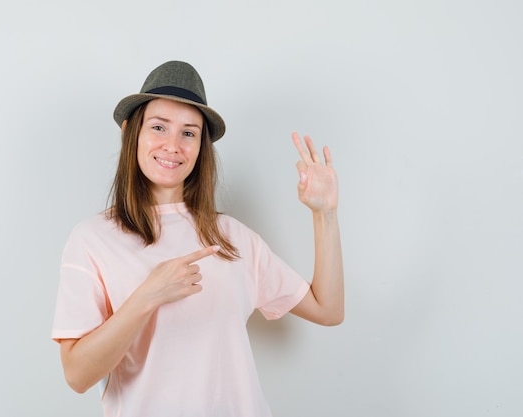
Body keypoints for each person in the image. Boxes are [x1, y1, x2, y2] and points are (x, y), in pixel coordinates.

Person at [51, 60, 344, 417]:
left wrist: (324, 214)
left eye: (188, 133)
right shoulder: (92, 239)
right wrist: (147, 296)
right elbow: (77, 374)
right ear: (131, 132)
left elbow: (327, 309)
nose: (173, 145)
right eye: (159, 127)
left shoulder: (232, 237)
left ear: (201, 146)